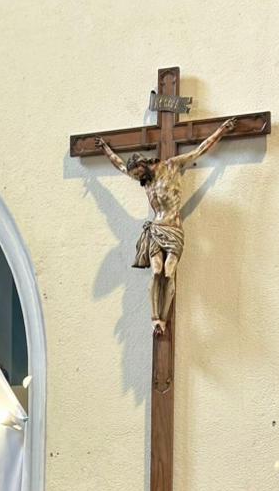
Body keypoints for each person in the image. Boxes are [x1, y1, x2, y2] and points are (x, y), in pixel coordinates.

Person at [94, 116, 236, 331]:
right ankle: (155, 318)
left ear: (143, 164)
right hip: (156, 229)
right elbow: (120, 166)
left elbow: (199, 150)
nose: (138, 179)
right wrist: (105, 149)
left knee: (169, 273)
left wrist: (221, 131)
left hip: (174, 230)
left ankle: (165, 316)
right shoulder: (145, 181)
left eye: (138, 173)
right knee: (155, 272)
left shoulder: (172, 166)